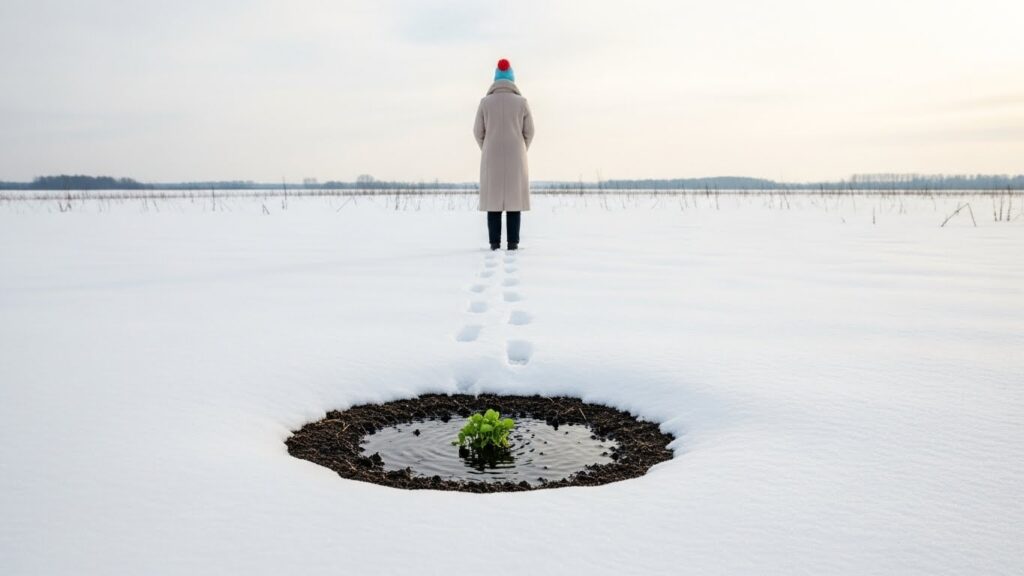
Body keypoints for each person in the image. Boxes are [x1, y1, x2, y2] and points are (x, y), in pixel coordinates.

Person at [474, 58, 534, 251]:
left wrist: (487, 148)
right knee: (514, 201)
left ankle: (494, 243)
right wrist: (520, 148)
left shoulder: (485, 103)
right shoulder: (522, 102)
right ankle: (513, 243)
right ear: (512, 80)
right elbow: (530, 132)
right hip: (516, 157)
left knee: (493, 201)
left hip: (491, 156)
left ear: (495, 80)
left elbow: (477, 132)